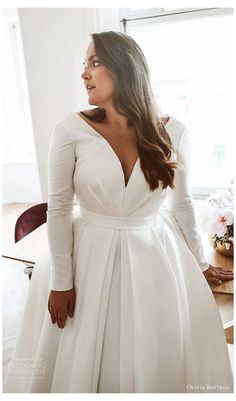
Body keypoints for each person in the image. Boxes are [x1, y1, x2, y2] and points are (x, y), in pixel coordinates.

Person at [3, 30, 233, 393]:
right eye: (84, 65)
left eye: (95, 63)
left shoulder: (175, 132)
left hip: (154, 257)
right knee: (80, 350)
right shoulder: (71, 129)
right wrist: (62, 281)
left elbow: (182, 203)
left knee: (154, 348)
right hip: (86, 257)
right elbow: (60, 207)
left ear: (125, 69)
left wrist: (200, 263)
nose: (84, 74)